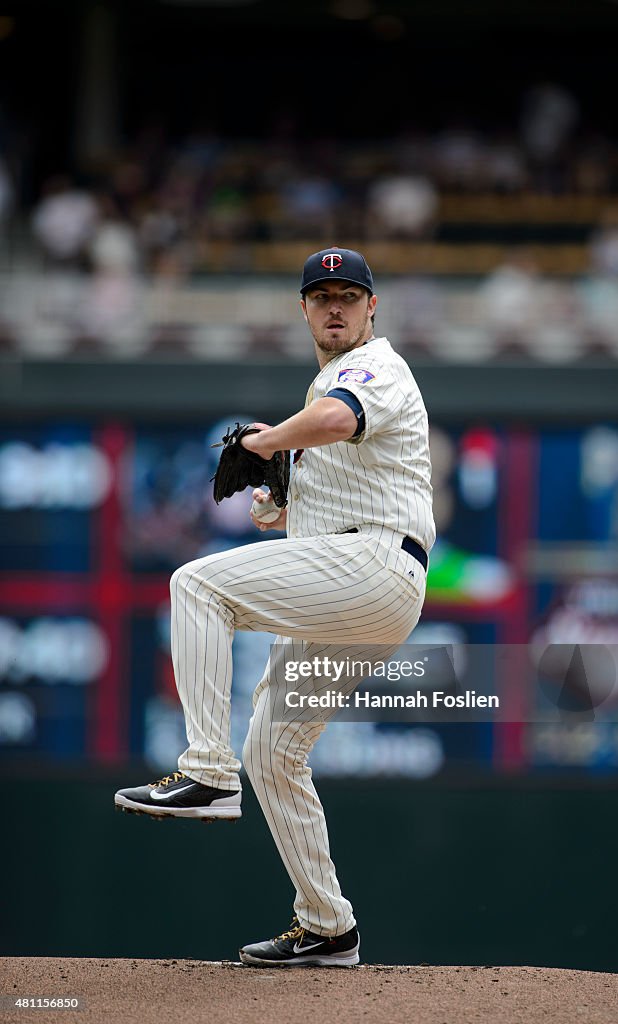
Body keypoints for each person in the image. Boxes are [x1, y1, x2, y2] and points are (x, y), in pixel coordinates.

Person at [114, 247, 435, 967]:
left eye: (348, 294)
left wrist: (264, 440)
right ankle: (328, 925)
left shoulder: (374, 367)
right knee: (273, 751)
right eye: (321, 294)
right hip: (359, 590)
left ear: (371, 307)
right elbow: (337, 462)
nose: (334, 306)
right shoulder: (329, 379)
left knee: (197, 586)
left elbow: (332, 421)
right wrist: (281, 501)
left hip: (373, 566)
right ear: (303, 308)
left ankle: (205, 772)